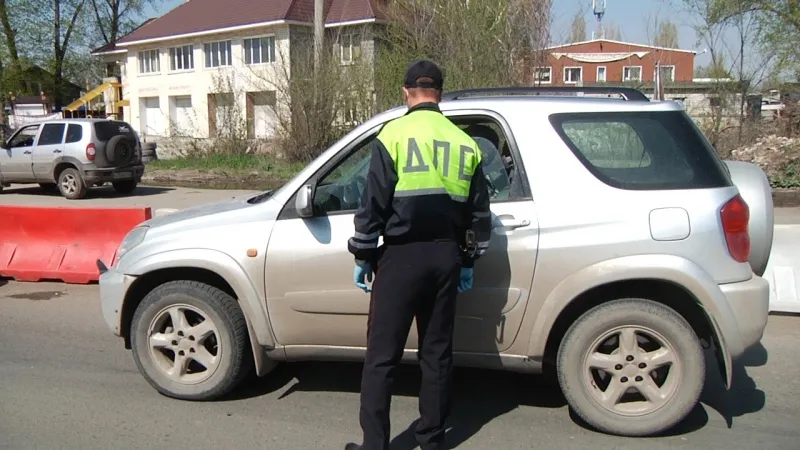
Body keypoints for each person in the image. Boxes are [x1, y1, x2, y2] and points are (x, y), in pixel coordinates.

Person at [344, 59, 492, 450]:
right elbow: (478, 213)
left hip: (401, 258)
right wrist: (468, 260)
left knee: (381, 358)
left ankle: (375, 445)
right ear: (440, 94)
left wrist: (362, 254)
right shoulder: (465, 143)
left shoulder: (392, 134)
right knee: (437, 355)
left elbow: (372, 202)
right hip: (445, 257)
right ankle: (430, 439)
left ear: (406, 93)